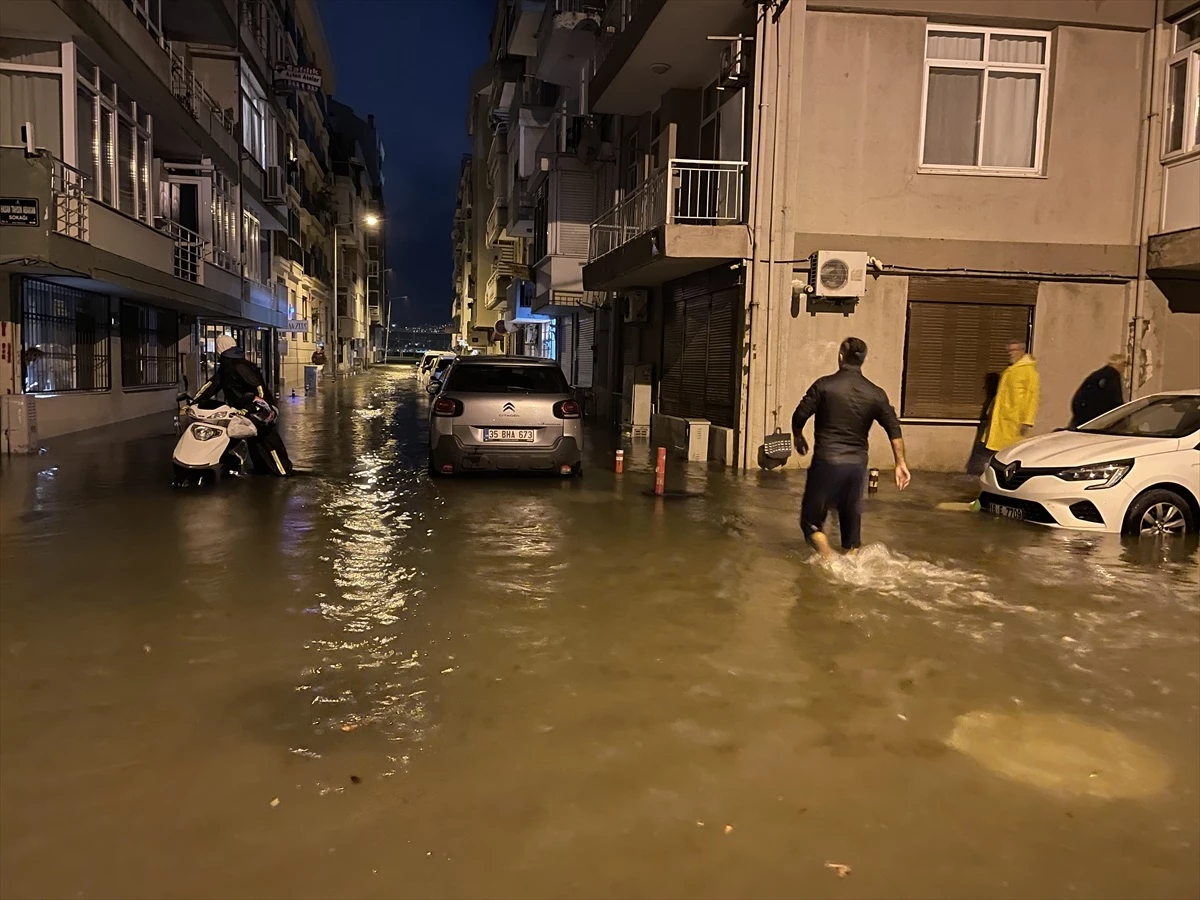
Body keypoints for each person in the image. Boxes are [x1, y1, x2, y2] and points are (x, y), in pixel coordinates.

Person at [791, 337, 911, 559]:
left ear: (840, 357)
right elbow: (894, 428)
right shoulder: (876, 393)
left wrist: (798, 436)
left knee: (810, 524)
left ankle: (829, 561)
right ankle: (852, 571)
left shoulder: (824, 385)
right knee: (851, 535)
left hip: (827, 463)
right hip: (856, 468)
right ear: (863, 361)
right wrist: (900, 463)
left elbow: (799, 415)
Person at [193, 335, 293, 476]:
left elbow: (258, 388)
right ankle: (262, 477)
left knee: (268, 443)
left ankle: (283, 474)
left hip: (259, 412)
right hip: (245, 412)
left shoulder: (239, 366)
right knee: (254, 445)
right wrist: (194, 402)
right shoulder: (227, 367)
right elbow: (210, 386)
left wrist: (260, 407)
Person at [982, 340, 1039, 459]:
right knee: (996, 451)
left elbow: (1032, 397)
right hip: (1001, 418)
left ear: (1022, 352)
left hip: (1014, 419)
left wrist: (1027, 421)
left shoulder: (1028, 371)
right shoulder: (1010, 370)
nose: (1010, 354)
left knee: (1010, 452)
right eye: (1009, 351)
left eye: (1013, 350)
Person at [1069, 354, 1126, 428]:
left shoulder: (1097, 374)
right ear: (1119, 365)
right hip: (1096, 417)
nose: (1124, 368)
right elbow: (1115, 398)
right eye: (1124, 365)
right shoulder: (1113, 375)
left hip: (1082, 415)